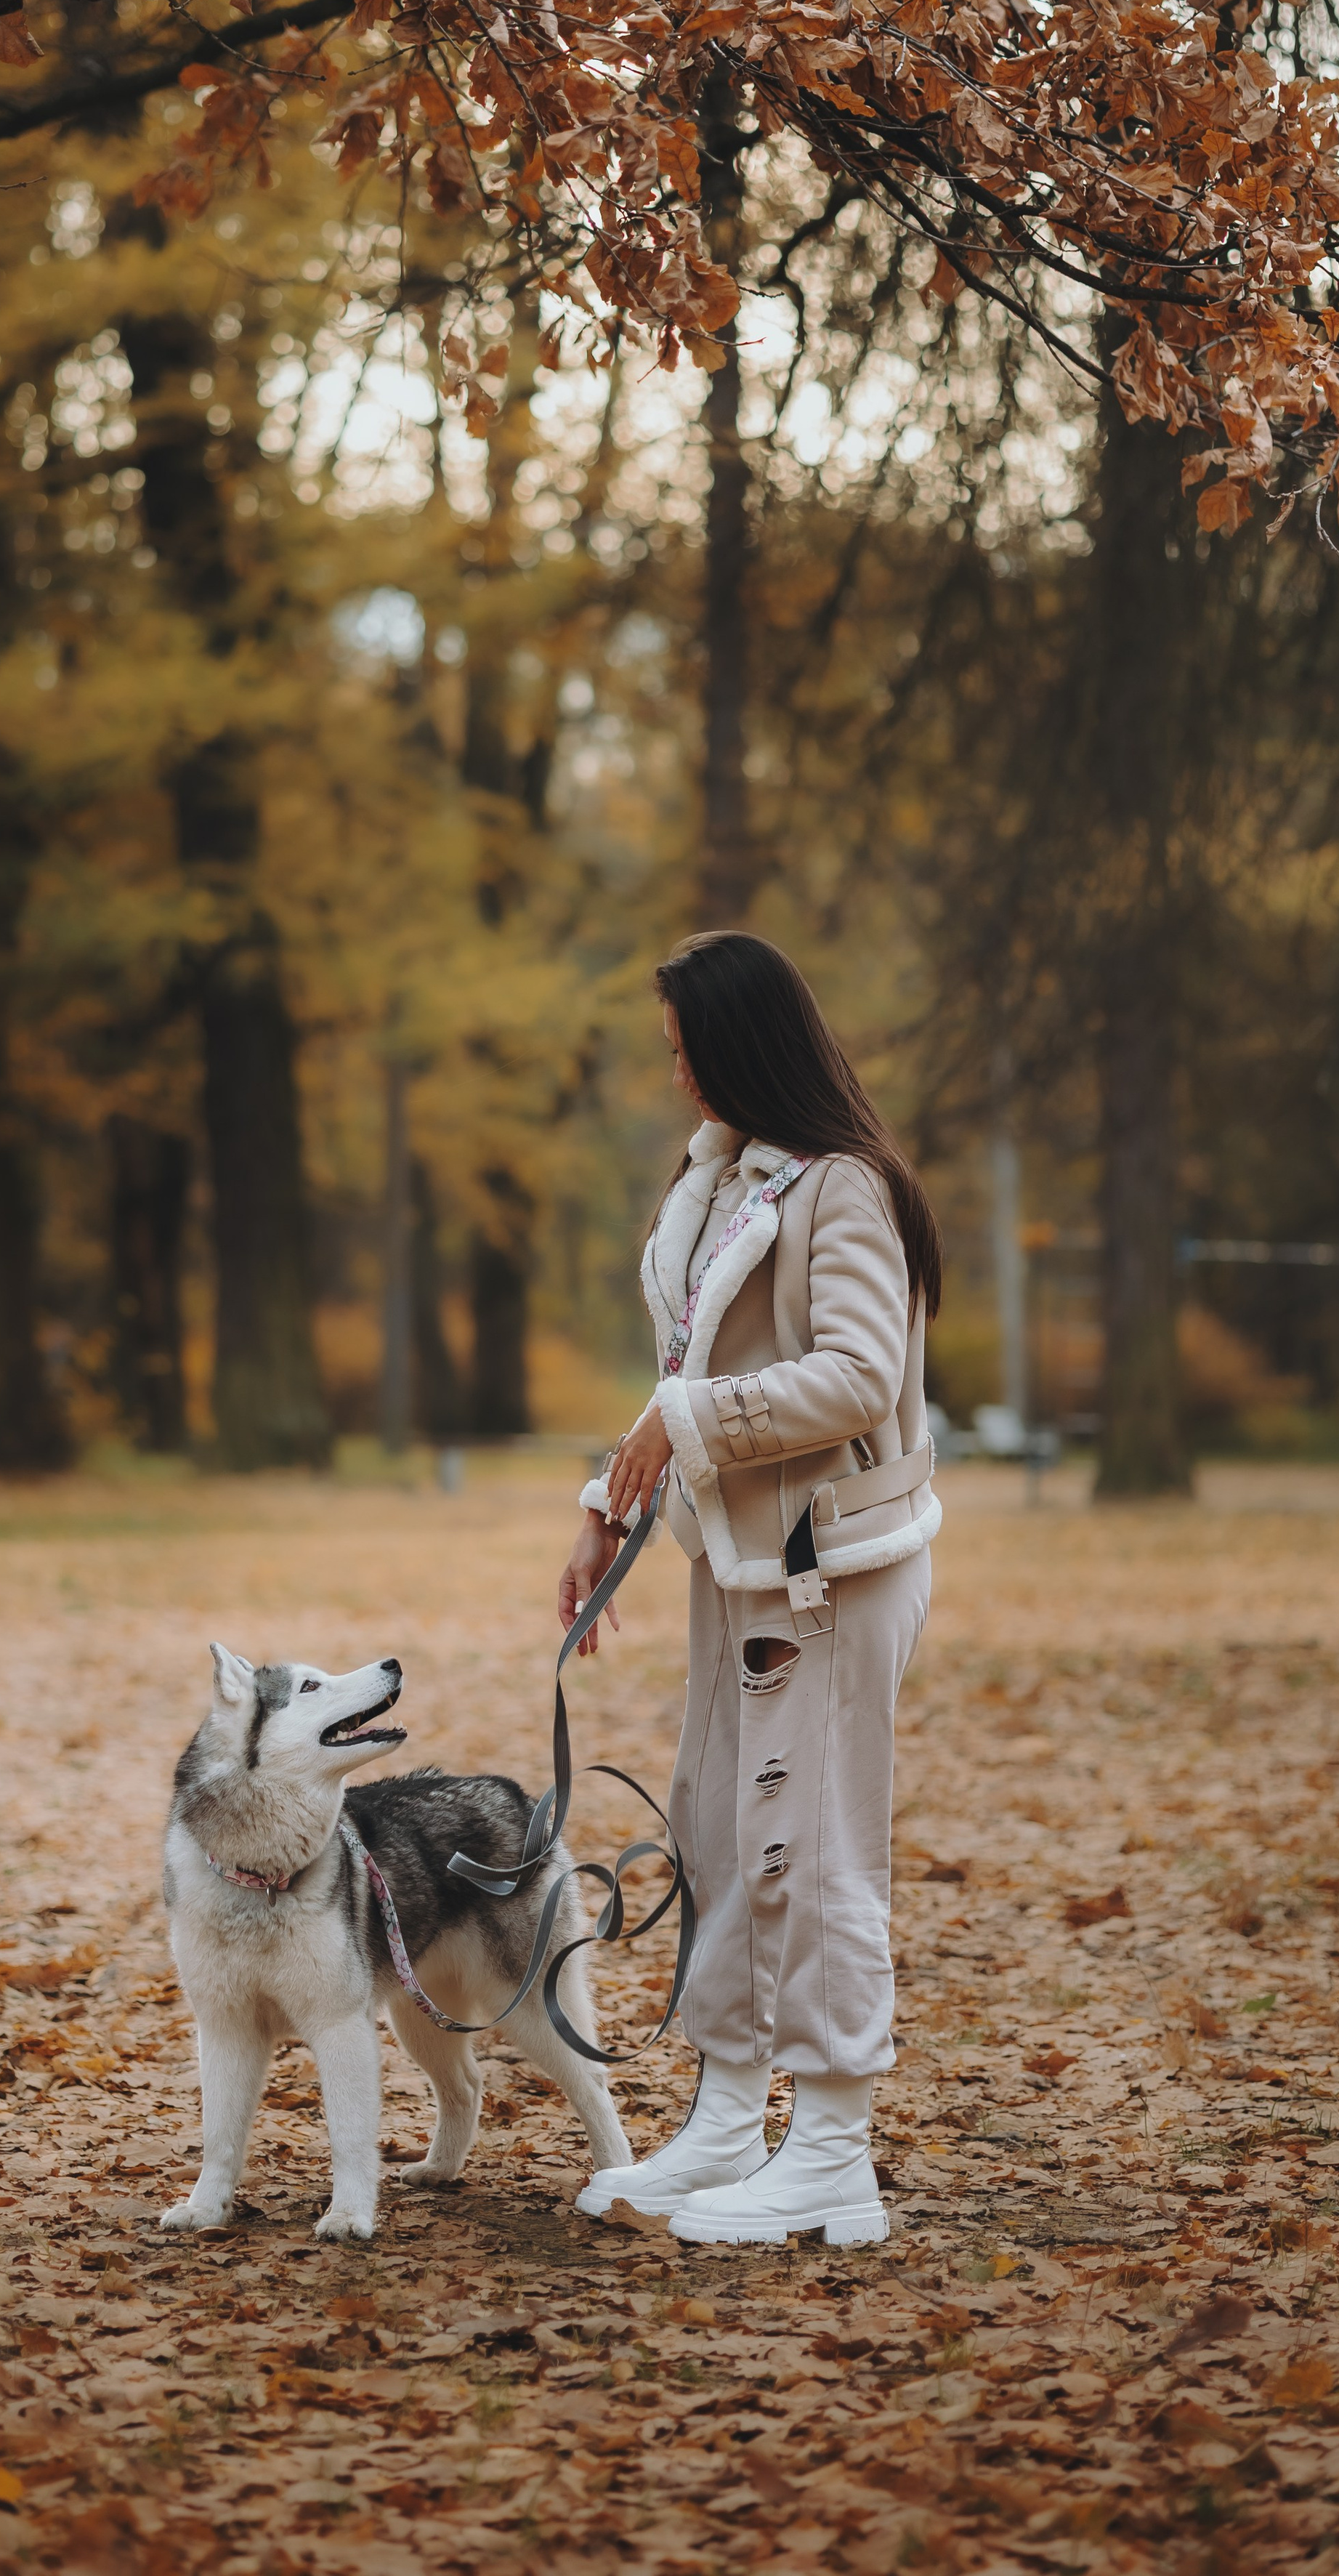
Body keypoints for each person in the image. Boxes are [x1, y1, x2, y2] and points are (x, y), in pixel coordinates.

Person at [559, 931, 943, 2248]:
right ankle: (729, 2122)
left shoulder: (846, 1189)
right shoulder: (728, 1178)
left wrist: (684, 1421)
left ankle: (833, 2152)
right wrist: (610, 1507)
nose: (678, 1074)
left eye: (689, 1049)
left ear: (746, 1043)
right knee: (722, 1831)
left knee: (819, 1848)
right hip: (740, 1563)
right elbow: (693, 1365)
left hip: (835, 1567)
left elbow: (856, 1375)